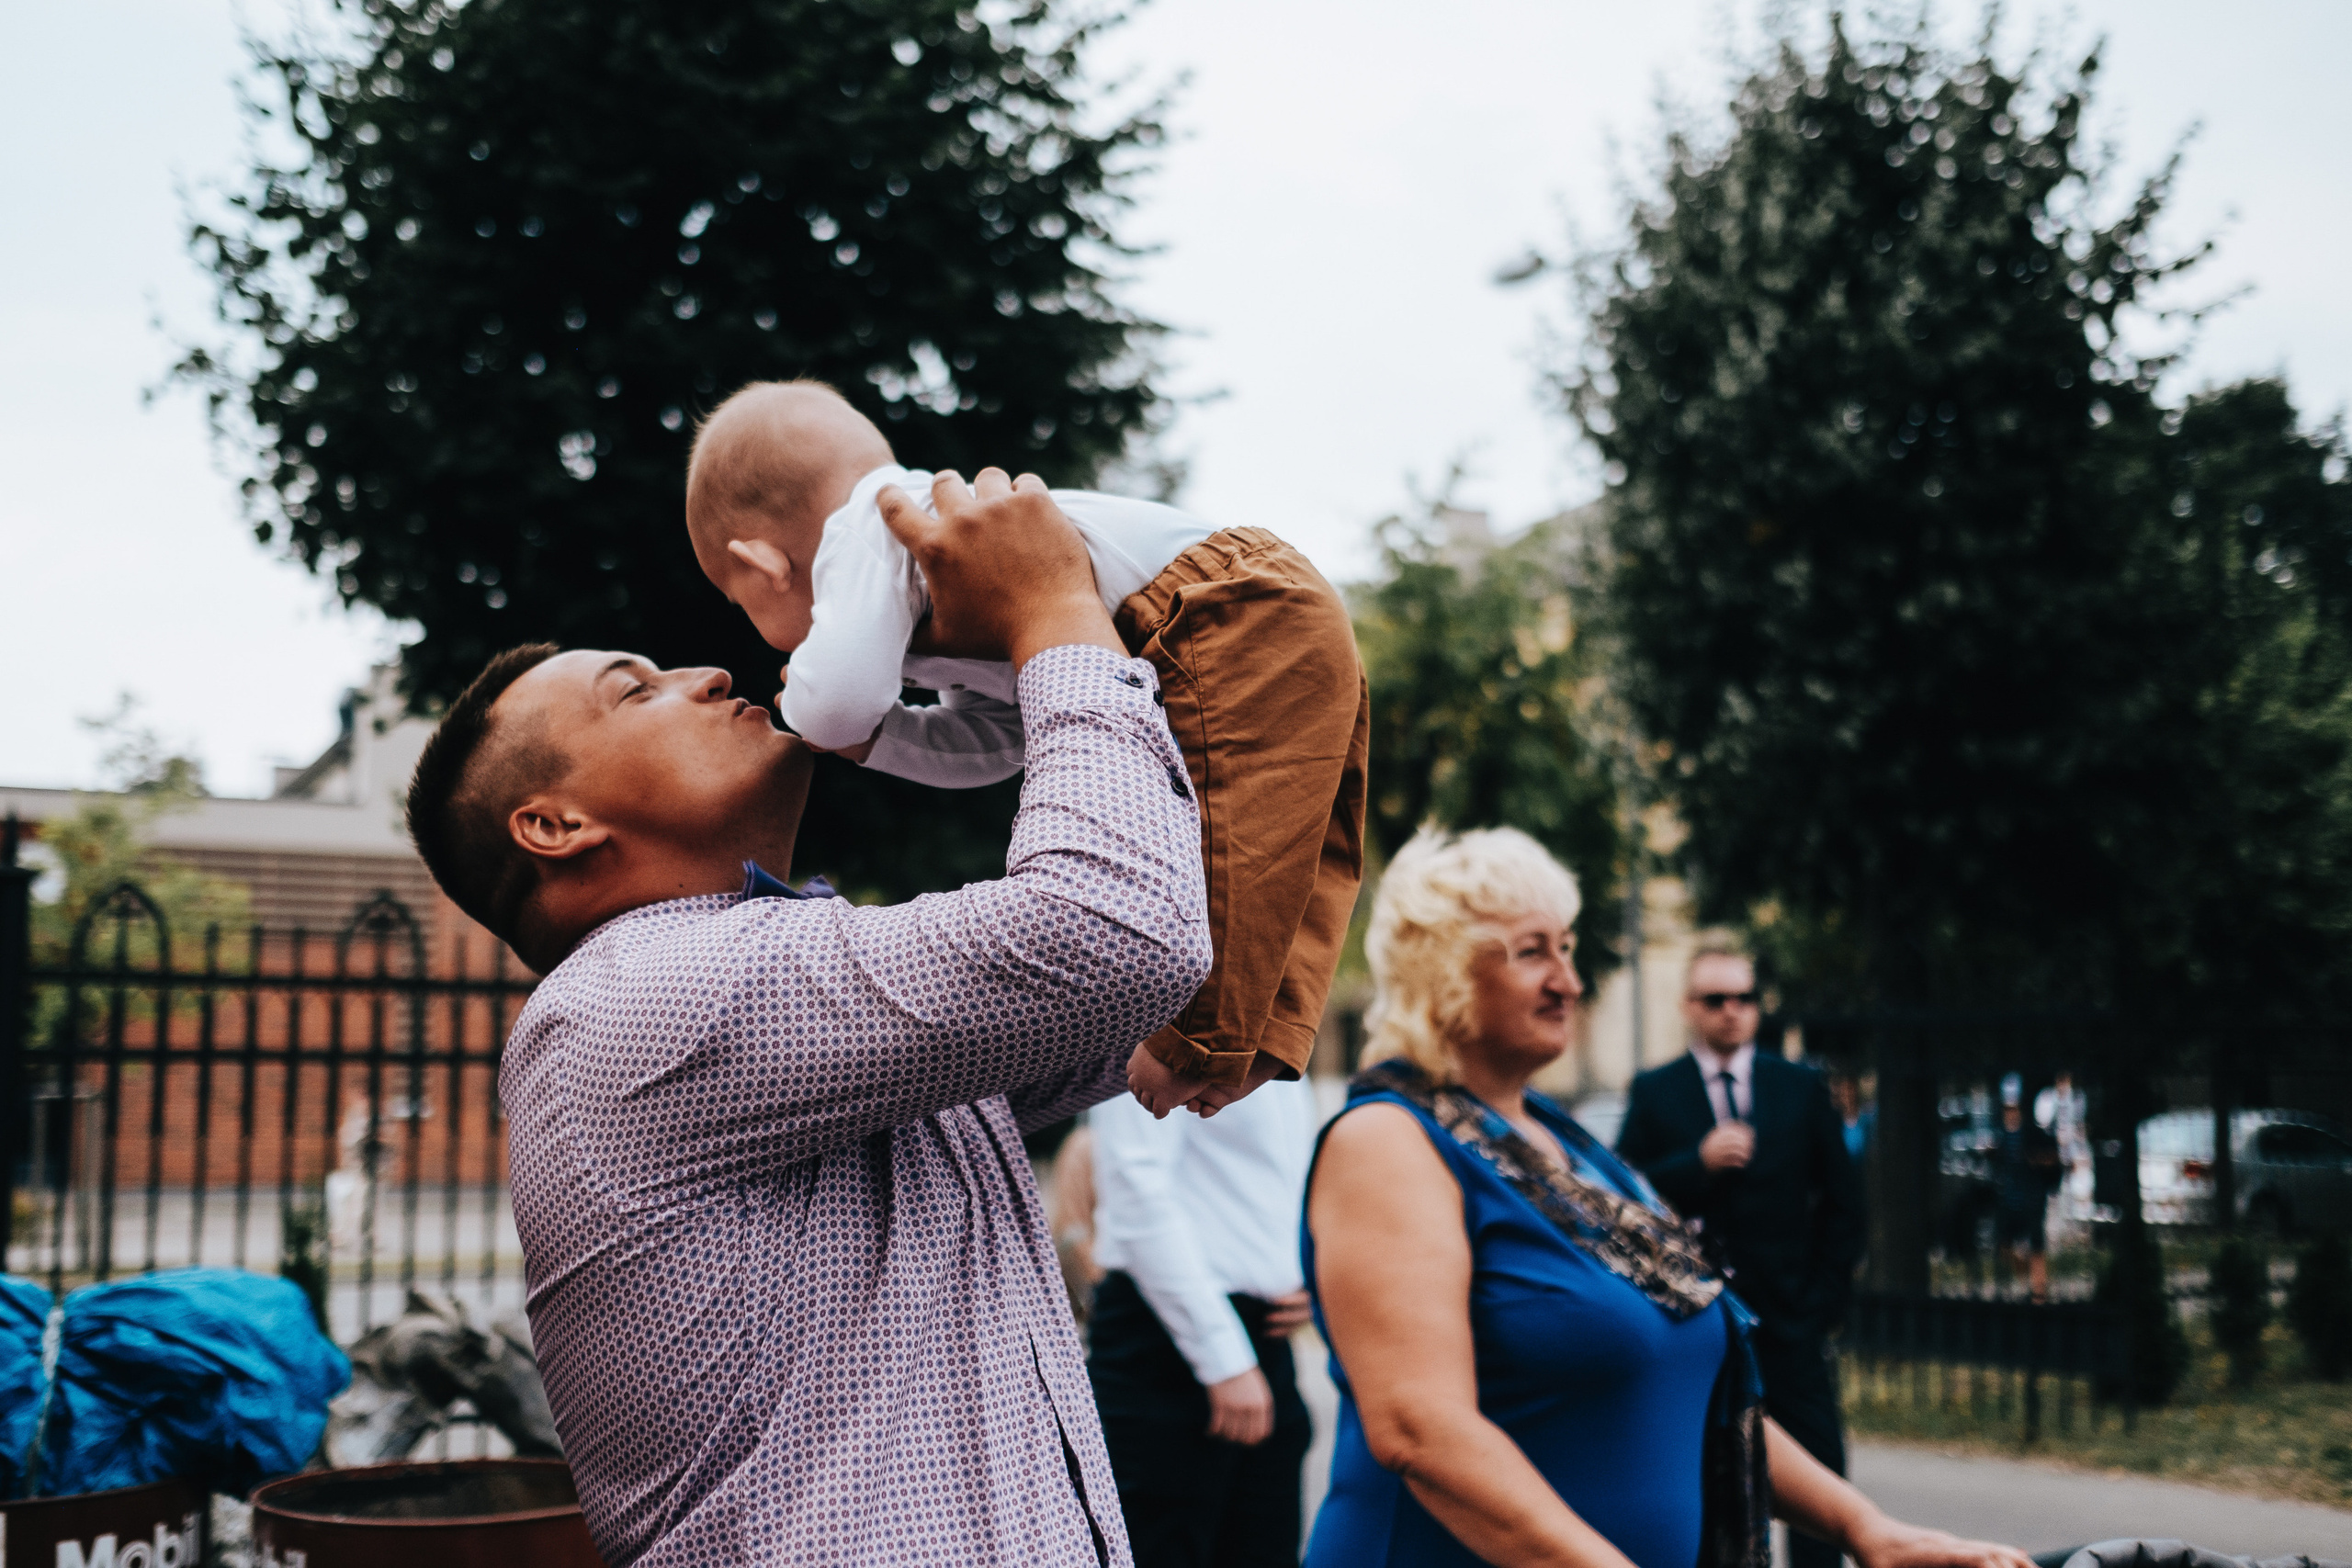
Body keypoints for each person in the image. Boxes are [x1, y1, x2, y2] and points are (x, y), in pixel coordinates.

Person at [401, 469, 1211, 1566]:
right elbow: (1117, 931)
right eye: (635, 692)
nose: (709, 670)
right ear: (555, 823)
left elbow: (1168, 976)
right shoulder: (637, 1000)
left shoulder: (789, 1007)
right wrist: (1054, 611)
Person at [1303, 827, 2031, 1568]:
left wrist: (1865, 1526)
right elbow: (1418, 1426)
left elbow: (1699, 1397)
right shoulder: (1390, 1141)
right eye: (1532, 952)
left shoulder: (1576, 1153)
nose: (1569, 980)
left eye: (1568, 947)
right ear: (1442, 972)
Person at [684, 381, 1369, 1118]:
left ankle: (1195, 1042)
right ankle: (1268, 1031)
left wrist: (815, 710)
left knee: (1231, 838)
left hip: (1218, 609)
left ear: (760, 565)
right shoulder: (929, 581)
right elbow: (997, 741)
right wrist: (884, 740)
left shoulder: (869, 527)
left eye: (741, 602)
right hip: (1273, 601)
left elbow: (837, 696)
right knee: (1301, 849)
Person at [1615, 946, 1864, 1568]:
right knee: (1703, 1480)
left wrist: (1820, 1305)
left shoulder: (1799, 1086)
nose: (1732, 1012)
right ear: (1689, 1008)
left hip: (1790, 1322)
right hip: (1698, 1325)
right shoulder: (1656, 1090)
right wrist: (1694, 1164)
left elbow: (1846, 1204)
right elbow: (1621, 1193)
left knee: (1819, 1478)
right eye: (1716, 1000)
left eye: (1744, 999)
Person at [1087, 1076, 1318, 1568]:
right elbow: (1136, 1190)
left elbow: (1272, 1185)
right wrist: (1222, 1358)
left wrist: (1307, 1275)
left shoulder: (1280, 1031)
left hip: (1263, 1337)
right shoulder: (1165, 1011)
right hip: (1168, 1343)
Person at [1991, 1076, 2062, 1302]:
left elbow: (2052, 1158)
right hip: (2009, 1199)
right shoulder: (2002, 1135)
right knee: (2004, 1245)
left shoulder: (2033, 1132)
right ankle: (2026, 1280)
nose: (2009, 1112)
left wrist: (2036, 1161)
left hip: (2031, 1198)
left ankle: (2039, 1293)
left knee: (2036, 1245)